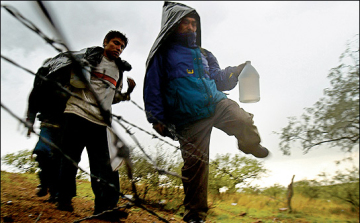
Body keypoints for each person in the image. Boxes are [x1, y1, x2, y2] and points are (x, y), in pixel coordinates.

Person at [143, 2, 269, 222]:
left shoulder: (204, 54)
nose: (191, 28)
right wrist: (156, 118)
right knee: (196, 166)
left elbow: (219, 80)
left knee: (242, 118)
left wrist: (236, 71)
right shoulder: (163, 54)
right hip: (187, 116)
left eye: (194, 24)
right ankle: (195, 213)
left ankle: (249, 144)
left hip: (216, 104)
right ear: (173, 25)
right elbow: (152, 86)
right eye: (186, 23)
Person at [43, 30, 136, 219]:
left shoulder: (118, 70)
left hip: (100, 122)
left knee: (104, 165)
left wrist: (128, 92)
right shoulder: (89, 58)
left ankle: (104, 207)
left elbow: (112, 98)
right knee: (70, 159)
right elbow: (73, 82)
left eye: (122, 46)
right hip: (76, 113)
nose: (119, 48)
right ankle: (64, 199)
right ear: (105, 42)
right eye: (115, 43)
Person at [26, 58, 69, 203]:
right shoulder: (42, 84)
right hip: (47, 124)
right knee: (41, 152)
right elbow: (33, 101)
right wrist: (30, 122)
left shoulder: (69, 83)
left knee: (58, 159)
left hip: (64, 127)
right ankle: (44, 183)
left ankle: (54, 193)